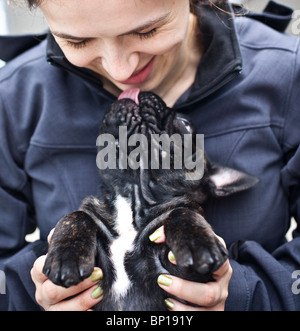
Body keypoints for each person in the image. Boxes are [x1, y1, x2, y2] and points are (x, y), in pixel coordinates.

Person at [0, 0, 299, 311]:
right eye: (78, 41)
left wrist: (245, 294)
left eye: (146, 31)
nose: (121, 69)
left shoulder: (287, 75)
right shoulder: (16, 98)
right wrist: (33, 294)